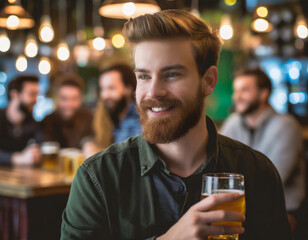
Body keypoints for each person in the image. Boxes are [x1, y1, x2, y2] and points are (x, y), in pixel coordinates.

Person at [61, 10, 292, 240]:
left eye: (171, 74)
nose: (153, 92)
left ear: (208, 81)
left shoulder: (257, 172)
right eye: (143, 76)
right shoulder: (97, 177)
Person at [220, 68, 306, 230]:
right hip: (244, 209)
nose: (236, 97)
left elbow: (273, 179)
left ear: (263, 94)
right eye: (235, 90)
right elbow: (217, 165)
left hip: (283, 210)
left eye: (244, 90)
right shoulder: (233, 122)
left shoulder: (286, 125)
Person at [83, 64, 142, 156]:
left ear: (128, 89)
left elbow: (128, 158)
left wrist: (98, 155)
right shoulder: (108, 113)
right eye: (103, 89)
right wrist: (89, 144)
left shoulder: (139, 119)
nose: (104, 95)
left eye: (111, 88)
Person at [42, 73, 93, 149]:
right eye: (64, 98)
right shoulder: (47, 121)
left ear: (81, 99)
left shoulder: (90, 119)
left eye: (74, 99)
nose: (69, 104)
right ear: (57, 98)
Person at [0, 75, 42, 166]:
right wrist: (17, 158)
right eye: (32, 94)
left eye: (37, 94)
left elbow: (43, 145)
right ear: (15, 94)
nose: (36, 100)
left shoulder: (33, 123)